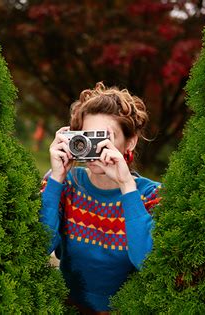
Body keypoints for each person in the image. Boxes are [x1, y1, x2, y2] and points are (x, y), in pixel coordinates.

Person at [39, 82, 162, 314]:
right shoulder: (65, 184)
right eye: (87, 137)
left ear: (131, 141)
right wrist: (56, 178)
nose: (95, 148)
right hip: (68, 308)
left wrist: (126, 185)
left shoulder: (150, 195)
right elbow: (39, 246)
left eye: (104, 138)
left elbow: (147, 262)